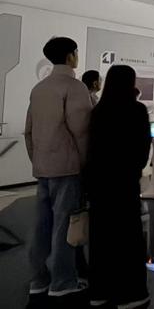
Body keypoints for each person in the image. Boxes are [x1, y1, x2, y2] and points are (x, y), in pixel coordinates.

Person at [24, 37, 92, 307]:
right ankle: (62, 282)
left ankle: (38, 279)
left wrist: (37, 159)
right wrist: (84, 164)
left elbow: (29, 130)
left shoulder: (39, 88)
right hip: (67, 167)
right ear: (71, 56)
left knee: (41, 225)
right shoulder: (75, 87)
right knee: (65, 225)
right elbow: (81, 132)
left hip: (43, 167)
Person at [86, 65, 151, 309]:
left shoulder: (98, 111)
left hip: (99, 184)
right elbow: (142, 152)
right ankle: (130, 295)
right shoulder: (137, 110)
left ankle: (99, 291)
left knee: (101, 239)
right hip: (124, 184)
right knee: (128, 239)